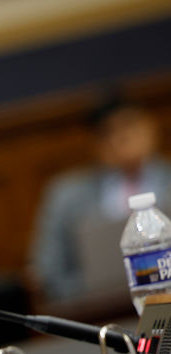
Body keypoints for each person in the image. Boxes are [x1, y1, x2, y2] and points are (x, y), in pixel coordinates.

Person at [30, 96, 171, 302]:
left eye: (130, 125)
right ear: (97, 144)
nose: (123, 137)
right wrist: (90, 287)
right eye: (110, 132)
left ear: (151, 127)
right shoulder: (66, 195)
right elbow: (47, 273)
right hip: (99, 309)